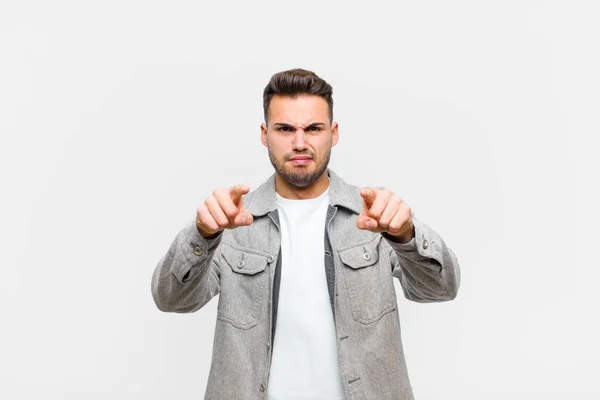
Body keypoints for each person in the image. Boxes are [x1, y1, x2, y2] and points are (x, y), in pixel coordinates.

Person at [151, 68, 461, 400]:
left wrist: (406, 236)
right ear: (264, 133)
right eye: (285, 129)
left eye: (313, 128)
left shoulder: (375, 214)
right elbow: (171, 300)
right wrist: (201, 235)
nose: (300, 143)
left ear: (334, 133)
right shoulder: (231, 221)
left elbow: (441, 289)